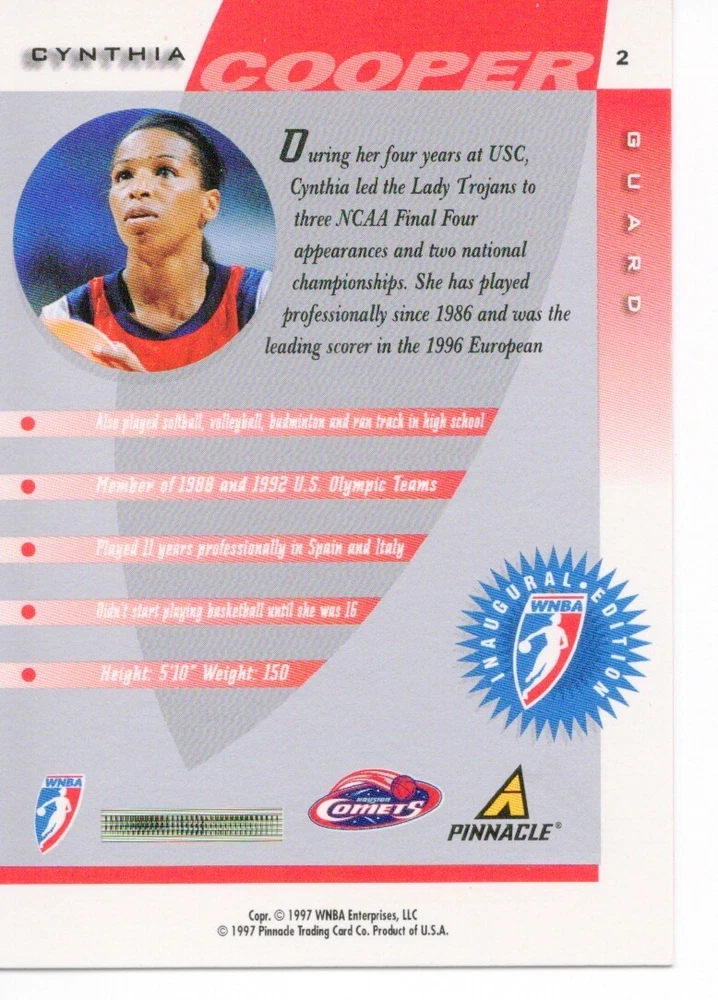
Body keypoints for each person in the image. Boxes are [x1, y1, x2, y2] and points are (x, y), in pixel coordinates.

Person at [40, 112, 271, 372]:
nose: (137, 189)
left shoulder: (261, 299)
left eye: (165, 171)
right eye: (124, 175)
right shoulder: (66, 319)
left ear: (209, 204)